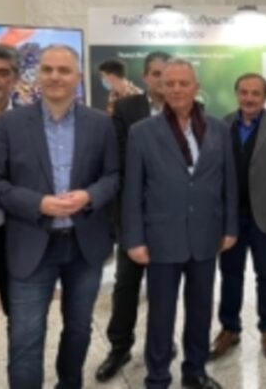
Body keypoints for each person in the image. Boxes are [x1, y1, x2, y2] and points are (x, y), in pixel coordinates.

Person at [0, 44, 120, 388]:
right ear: (37, 75)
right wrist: (38, 203)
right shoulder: (9, 124)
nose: (55, 77)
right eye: (47, 69)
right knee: (26, 336)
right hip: (30, 243)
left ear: (78, 77)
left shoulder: (100, 124)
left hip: (84, 245)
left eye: (63, 70)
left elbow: (113, 176)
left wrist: (89, 196)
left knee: (79, 329)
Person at [121, 58, 237, 389]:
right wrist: (134, 239)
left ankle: (195, 370)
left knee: (200, 309)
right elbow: (132, 190)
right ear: (160, 87)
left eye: (183, 83)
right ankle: (157, 376)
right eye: (169, 83)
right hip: (161, 236)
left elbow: (228, 183)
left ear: (196, 87)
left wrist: (230, 227)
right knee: (161, 313)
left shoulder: (218, 129)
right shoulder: (141, 132)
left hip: (206, 235)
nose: (176, 89)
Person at [95, 50, 172, 382]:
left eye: (168, 75)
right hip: (133, 213)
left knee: (164, 285)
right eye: (156, 74)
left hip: (171, 217)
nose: (163, 81)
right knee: (127, 284)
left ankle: (162, 341)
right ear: (145, 77)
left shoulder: (186, 108)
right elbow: (120, 157)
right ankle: (119, 347)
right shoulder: (127, 109)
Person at [210, 73, 266, 361]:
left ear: (264, 97)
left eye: (255, 93)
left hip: (265, 214)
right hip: (231, 218)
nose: (249, 98)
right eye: (244, 92)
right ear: (237, 94)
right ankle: (229, 328)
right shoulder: (223, 124)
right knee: (230, 274)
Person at [0, 44, 20, 316]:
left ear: (15, 78)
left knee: (18, 312)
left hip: (11, 232)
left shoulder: (29, 122)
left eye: (3, 72)